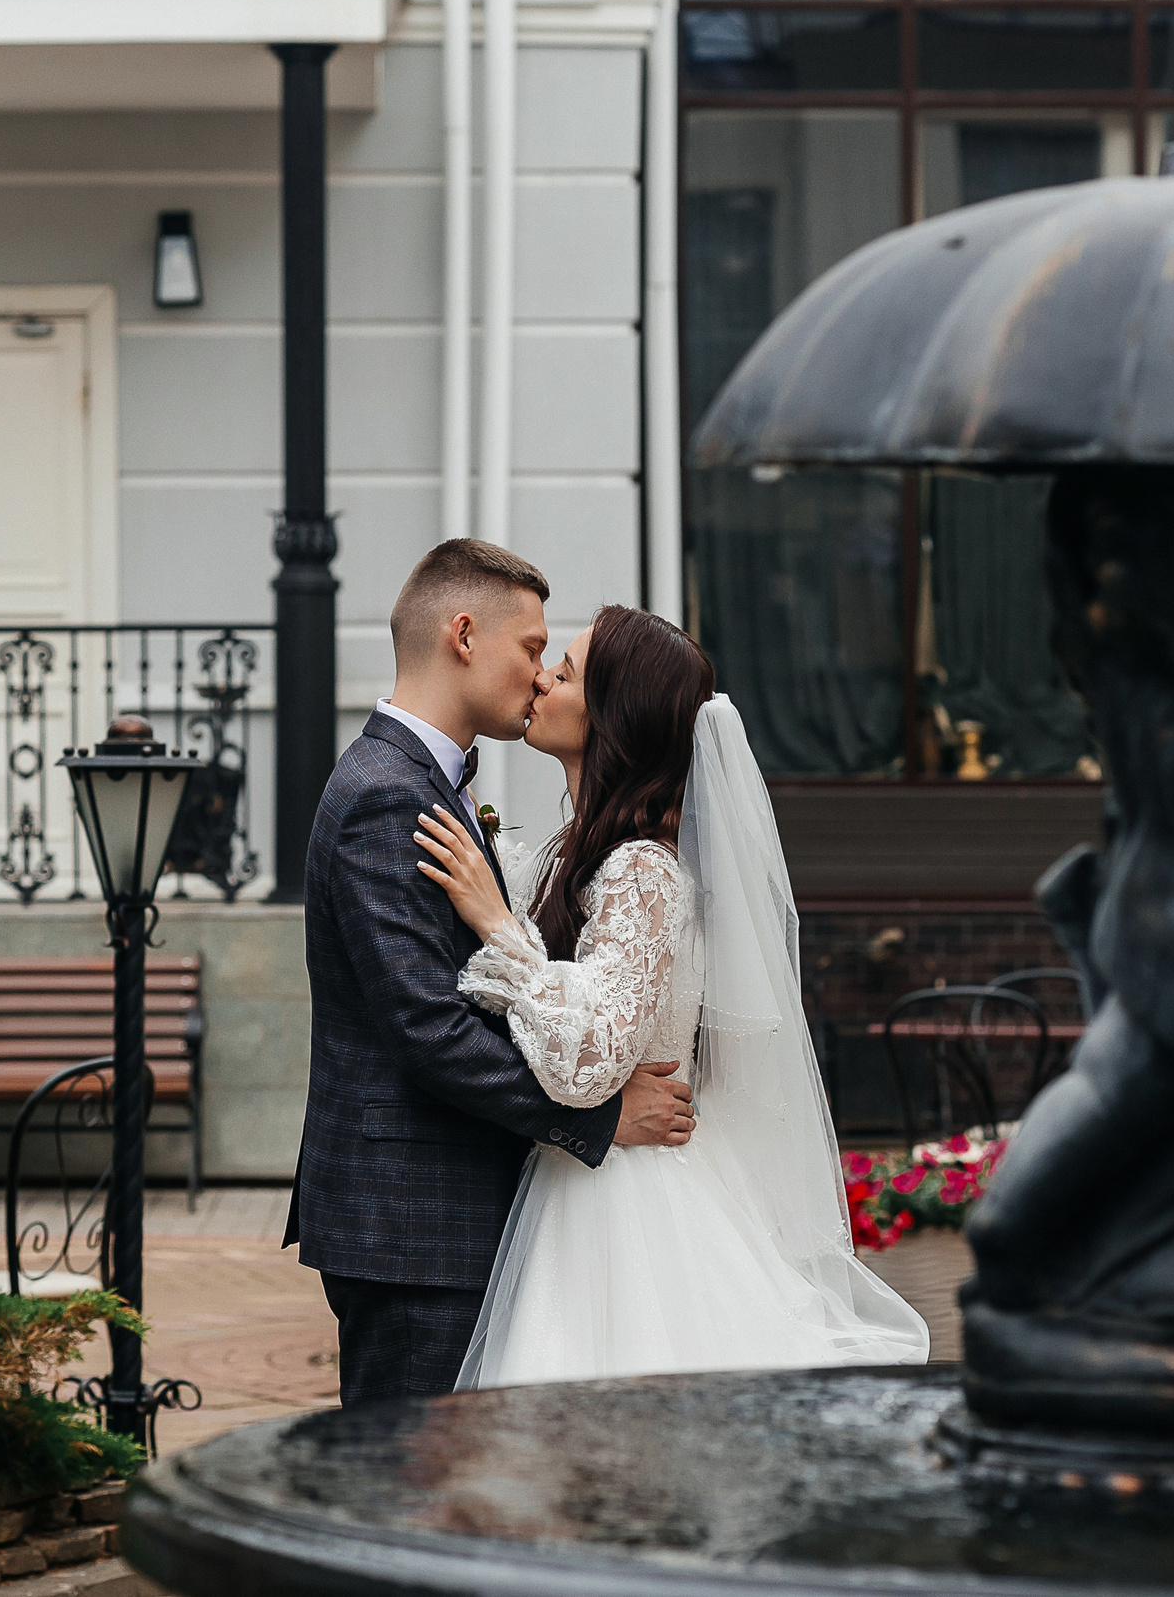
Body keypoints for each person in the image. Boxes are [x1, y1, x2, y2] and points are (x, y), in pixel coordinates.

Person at [414, 604, 929, 1386]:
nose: (544, 677)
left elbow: (589, 1064)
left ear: (614, 715)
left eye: (569, 670)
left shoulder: (642, 871)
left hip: (627, 1204)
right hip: (590, 1178)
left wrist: (496, 923)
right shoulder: (590, 854)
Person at [284, 542, 700, 1406]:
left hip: (453, 1218)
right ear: (464, 634)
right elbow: (430, 1027)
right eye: (533, 647)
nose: (541, 673)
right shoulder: (385, 795)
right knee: (417, 1498)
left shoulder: (426, 787)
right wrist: (601, 1122)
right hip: (414, 1225)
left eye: (558, 659)